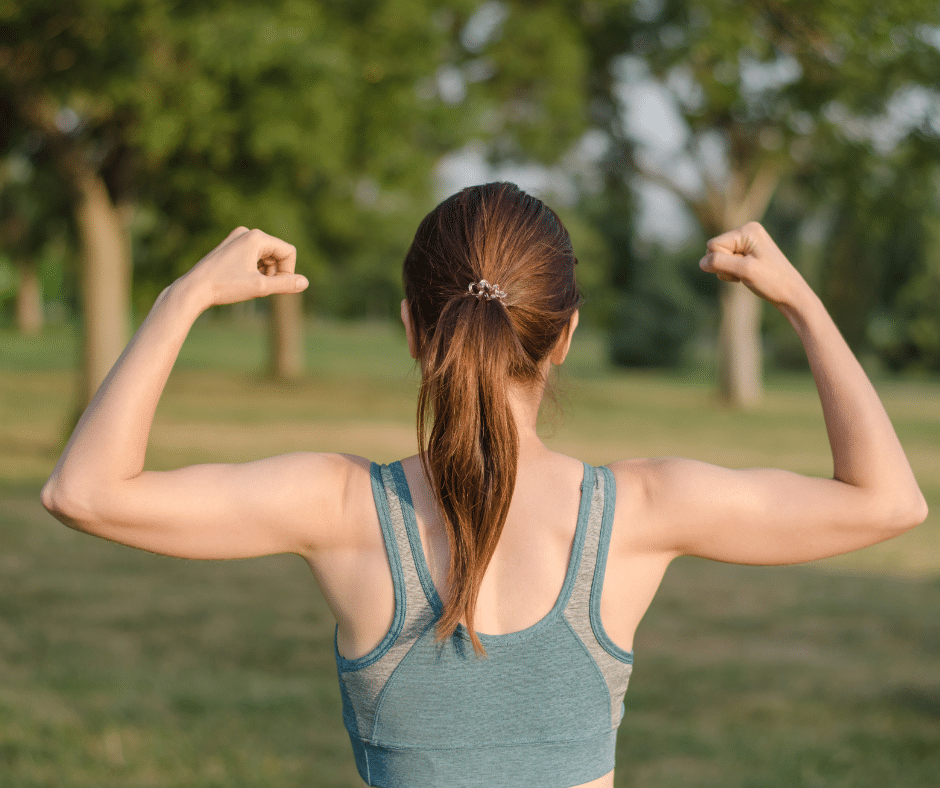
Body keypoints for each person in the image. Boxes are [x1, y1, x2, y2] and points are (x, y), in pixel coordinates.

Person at [42, 182, 927, 788]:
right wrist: (803, 303)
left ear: (411, 329)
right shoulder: (642, 511)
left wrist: (181, 299)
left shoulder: (344, 506)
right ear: (566, 335)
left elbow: (83, 492)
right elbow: (888, 501)